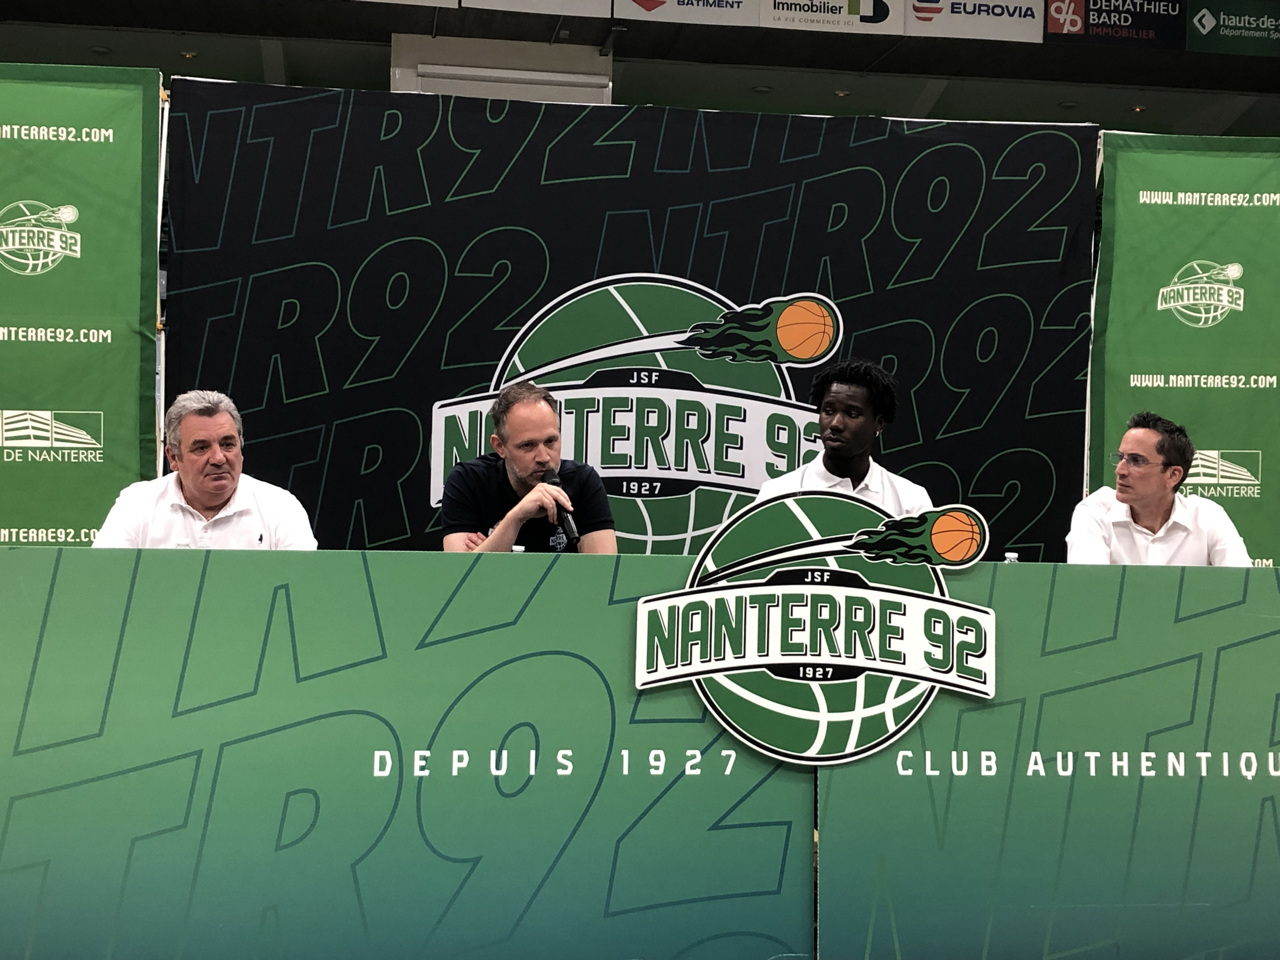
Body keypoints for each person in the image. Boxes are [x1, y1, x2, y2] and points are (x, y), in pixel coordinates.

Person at [94, 390, 317, 549]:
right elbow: (104, 581)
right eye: (201, 448)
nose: (219, 458)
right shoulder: (137, 503)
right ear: (173, 457)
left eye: (228, 444)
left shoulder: (280, 508)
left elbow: (302, 589)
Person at [441, 381, 617, 554]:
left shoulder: (583, 481)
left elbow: (604, 570)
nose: (544, 457)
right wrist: (516, 517)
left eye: (550, 441)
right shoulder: (468, 480)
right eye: (528, 445)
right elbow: (461, 571)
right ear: (500, 446)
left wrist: (491, 548)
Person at [1066, 411, 1249, 566]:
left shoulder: (1207, 517)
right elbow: (1089, 588)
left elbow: (1244, 587)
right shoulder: (1095, 512)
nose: (1120, 470)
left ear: (1173, 475)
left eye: (1136, 461)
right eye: (1121, 457)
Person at [755, 358, 932, 517]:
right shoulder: (777, 494)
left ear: (879, 423)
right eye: (828, 411)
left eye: (852, 414)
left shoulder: (910, 502)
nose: (835, 424)